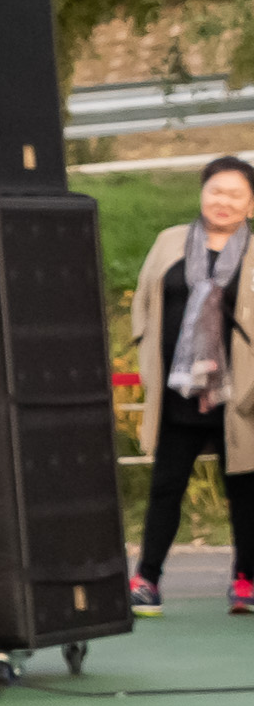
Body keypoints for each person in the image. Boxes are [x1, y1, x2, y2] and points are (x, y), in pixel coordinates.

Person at [127, 155, 254, 617]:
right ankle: (147, 578)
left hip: (240, 397)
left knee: (245, 491)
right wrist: (145, 354)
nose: (223, 201)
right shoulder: (169, 243)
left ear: (251, 204)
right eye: (216, 191)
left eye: (235, 194)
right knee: (166, 485)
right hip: (179, 390)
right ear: (202, 193)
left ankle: (246, 579)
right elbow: (143, 301)